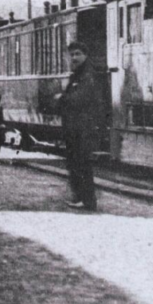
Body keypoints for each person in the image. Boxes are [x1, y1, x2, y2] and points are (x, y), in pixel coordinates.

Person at [58, 41, 103, 211]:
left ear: (85, 55)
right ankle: (81, 198)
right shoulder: (78, 74)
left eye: (78, 54)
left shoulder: (87, 75)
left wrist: (62, 99)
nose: (74, 57)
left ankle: (87, 200)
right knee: (75, 163)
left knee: (81, 163)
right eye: (72, 54)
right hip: (75, 127)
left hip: (83, 127)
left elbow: (80, 98)